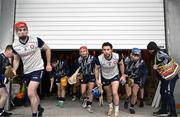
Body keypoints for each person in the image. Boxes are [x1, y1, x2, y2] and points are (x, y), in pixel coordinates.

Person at [12, 22, 52, 117]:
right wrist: (14, 68)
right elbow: (16, 59)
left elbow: (48, 49)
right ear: (16, 32)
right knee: (33, 92)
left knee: (30, 93)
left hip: (38, 69)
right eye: (20, 30)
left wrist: (48, 64)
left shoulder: (36, 40)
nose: (22, 32)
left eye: (24, 30)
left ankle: (34, 114)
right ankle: (39, 108)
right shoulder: (15, 45)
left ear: (27, 30)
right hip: (26, 71)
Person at [147, 41, 179, 117]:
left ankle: (173, 113)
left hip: (170, 78)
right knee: (162, 92)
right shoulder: (156, 54)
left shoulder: (159, 53)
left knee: (168, 94)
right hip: (165, 78)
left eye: (149, 50)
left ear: (152, 49)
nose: (149, 51)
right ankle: (163, 110)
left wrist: (157, 67)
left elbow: (168, 60)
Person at [95, 42, 126, 117]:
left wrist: (123, 75)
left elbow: (121, 64)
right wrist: (97, 79)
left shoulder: (117, 56)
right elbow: (96, 69)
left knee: (115, 92)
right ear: (102, 50)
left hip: (114, 75)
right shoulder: (99, 58)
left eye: (108, 49)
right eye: (104, 50)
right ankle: (110, 108)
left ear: (111, 50)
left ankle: (116, 111)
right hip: (105, 77)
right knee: (109, 94)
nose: (106, 51)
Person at [123, 48, 148, 114]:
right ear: (131, 54)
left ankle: (131, 107)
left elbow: (145, 73)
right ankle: (127, 99)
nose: (136, 57)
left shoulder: (142, 63)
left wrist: (142, 82)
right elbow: (122, 66)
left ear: (140, 55)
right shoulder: (127, 59)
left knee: (134, 94)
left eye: (138, 55)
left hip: (137, 79)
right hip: (128, 78)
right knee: (129, 93)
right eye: (134, 55)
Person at [77, 46, 97, 113]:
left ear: (87, 51)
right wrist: (78, 75)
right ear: (80, 53)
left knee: (90, 91)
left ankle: (89, 105)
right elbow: (78, 69)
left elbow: (97, 68)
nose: (83, 53)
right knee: (83, 92)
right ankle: (85, 99)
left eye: (84, 51)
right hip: (84, 77)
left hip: (91, 76)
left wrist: (97, 79)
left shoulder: (92, 58)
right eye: (81, 52)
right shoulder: (79, 59)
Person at [0, 45, 13, 117]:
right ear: (8, 50)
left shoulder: (7, 59)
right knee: (4, 95)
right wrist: (3, 78)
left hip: (1, 80)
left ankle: (2, 111)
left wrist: (11, 76)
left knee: (6, 95)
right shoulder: (0, 57)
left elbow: (9, 70)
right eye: (12, 52)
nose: (12, 54)